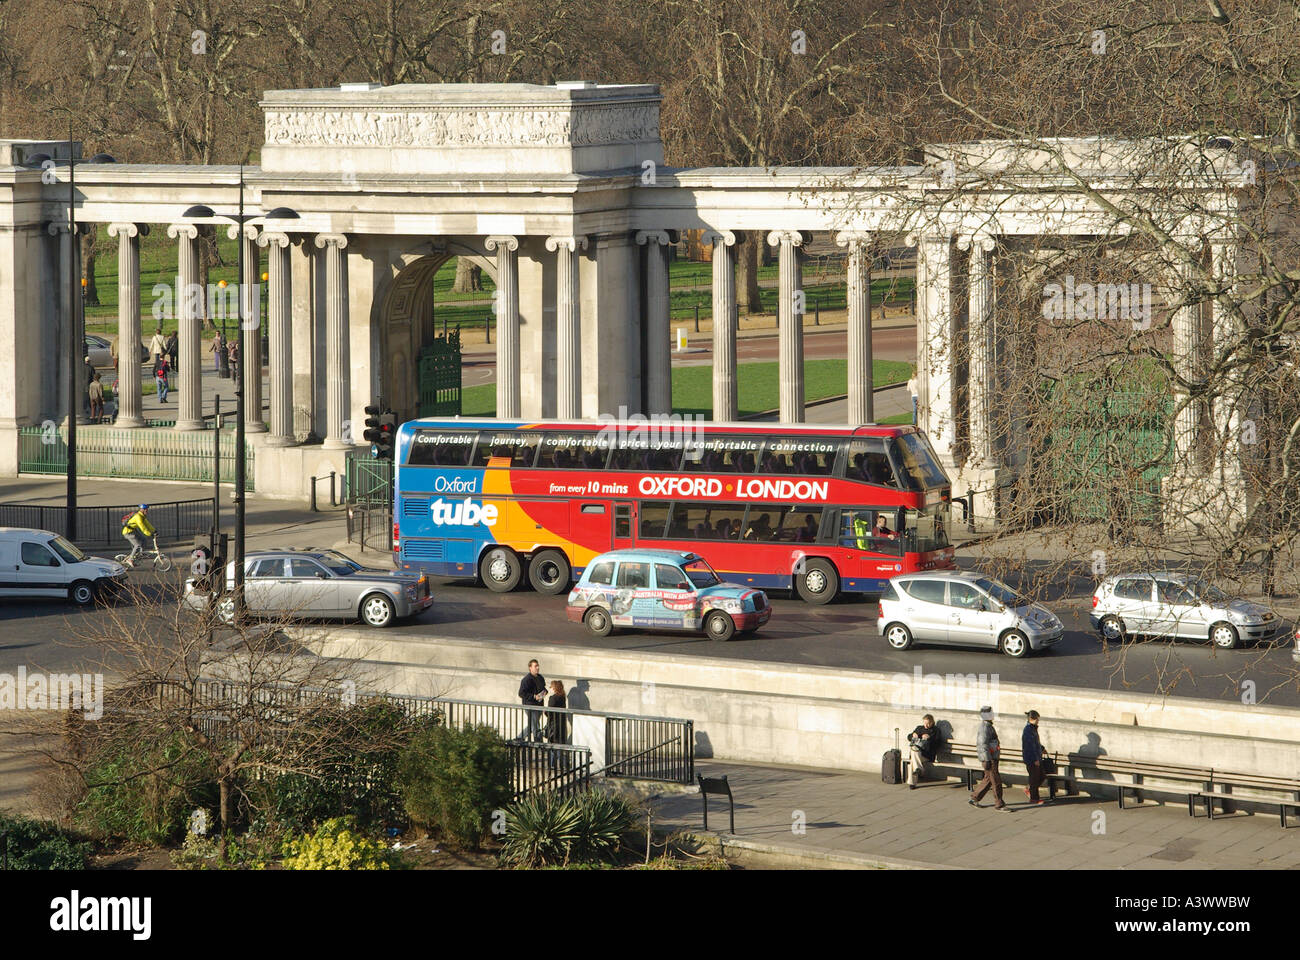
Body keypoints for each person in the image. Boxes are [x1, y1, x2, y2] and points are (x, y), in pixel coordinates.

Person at [969, 705, 1007, 810]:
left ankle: (975, 798)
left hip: (991, 757)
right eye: (991, 713)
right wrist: (987, 759)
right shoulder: (985, 727)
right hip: (990, 758)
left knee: (988, 779)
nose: (993, 714)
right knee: (996, 781)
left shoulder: (987, 726)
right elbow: (982, 744)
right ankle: (999, 803)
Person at [907, 713, 942, 789]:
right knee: (914, 750)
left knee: (913, 760)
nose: (926, 725)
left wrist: (929, 738)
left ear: (932, 722)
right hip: (917, 753)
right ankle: (919, 769)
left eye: (928, 723)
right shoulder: (919, 728)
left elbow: (938, 744)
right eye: (925, 723)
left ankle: (913, 782)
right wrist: (913, 735)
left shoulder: (936, 731)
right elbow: (908, 737)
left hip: (927, 755)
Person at [516, 659, 547, 742]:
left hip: (539, 705)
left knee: (532, 724)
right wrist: (534, 697)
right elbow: (521, 693)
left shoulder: (540, 677)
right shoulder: (526, 679)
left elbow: (543, 688)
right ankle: (539, 743)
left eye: (538, 665)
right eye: (535, 666)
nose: (538, 667)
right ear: (530, 668)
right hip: (530, 706)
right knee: (536, 725)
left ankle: (519, 738)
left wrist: (544, 693)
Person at [1023, 710, 1048, 804]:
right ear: (1031, 719)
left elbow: (1036, 743)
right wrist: (1035, 759)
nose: (1038, 721)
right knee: (1034, 778)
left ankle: (1029, 789)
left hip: (1037, 757)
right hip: (1032, 759)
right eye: (1037, 719)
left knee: (1041, 776)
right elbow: (1030, 746)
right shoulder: (1028, 730)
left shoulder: (1033, 728)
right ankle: (1034, 798)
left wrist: (1042, 749)